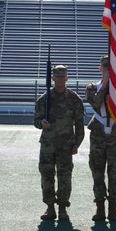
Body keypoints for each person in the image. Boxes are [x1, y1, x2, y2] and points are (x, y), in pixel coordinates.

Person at [34, 65, 85, 220]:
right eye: (57, 76)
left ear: (67, 78)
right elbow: (36, 121)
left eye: (63, 76)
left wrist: (77, 143)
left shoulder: (74, 99)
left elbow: (80, 124)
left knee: (65, 177)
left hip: (66, 145)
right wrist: (41, 123)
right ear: (53, 78)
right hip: (48, 145)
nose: (60, 79)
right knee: (46, 176)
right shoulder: (44, 99)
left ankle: (62, 208)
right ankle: (50, 208)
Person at [86, 55, 116, 222]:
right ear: (100, 68)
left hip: (115, 135)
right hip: (98, 134)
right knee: (97, 172)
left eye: (112, 67)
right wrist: (106, 85)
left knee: (115, 172)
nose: (109, 69)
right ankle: (100, 207)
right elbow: (95, 103)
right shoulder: (92, 87)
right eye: (106, 67)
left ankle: (113, 208)